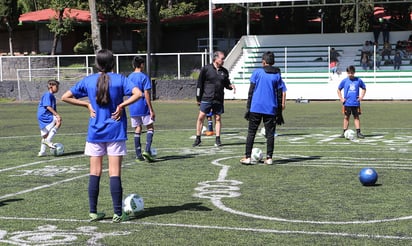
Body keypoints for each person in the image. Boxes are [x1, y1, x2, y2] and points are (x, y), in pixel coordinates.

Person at [61, 49, 142, 223]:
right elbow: (138, 93)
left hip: (95, 132)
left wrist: (86, 105)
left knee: (94, 172)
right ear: (113, 63)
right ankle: (118, 213)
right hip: (116, 131)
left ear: (97, 64)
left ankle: (93, 212)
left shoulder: (89, 81)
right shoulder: (120, 79)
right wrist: (121, 105)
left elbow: (65, 97)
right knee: (115, 173)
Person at [240, 51, 284, 165]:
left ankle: (247, 157)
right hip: (271, 108)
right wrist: (279, 113)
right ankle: (269, 158)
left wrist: (248, 108)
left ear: (263, 62)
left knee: (251, 132)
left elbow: (251, 91)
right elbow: (279, 95)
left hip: (256, 107)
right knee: (270, 134)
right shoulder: (277, 75)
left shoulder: (257, 72)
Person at [192, 51, 235, 147]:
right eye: (222, 58)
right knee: (201, 117)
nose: (223, 60)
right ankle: (198, 138)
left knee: (218, 118)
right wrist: (198, 98)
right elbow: (199, 85)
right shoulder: (206, 69)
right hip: (206, 97)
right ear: (216, 58)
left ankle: (218, 139)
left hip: (218, 99)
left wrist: (230, 86)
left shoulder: (224, 71)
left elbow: (226, 84)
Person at [128, 56, 156, 162]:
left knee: (137, 128)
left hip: (133, 107)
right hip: (143, 106)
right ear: (142, 64)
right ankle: (147, 151)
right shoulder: (144, 77)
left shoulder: (129, 77)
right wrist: (151, 109)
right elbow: (147, 94)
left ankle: (138, 154)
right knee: (150, 128)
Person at [337, 65, 366, 139]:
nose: (350, 74)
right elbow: (338, 89)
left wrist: (361, 97)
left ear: (354, 73)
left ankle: (358, 132)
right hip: (347, 103)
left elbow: (364, 88)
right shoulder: (344, 81)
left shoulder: (358, 80)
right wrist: (341, 98)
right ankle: (344, 132)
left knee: (356, 117)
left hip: (355, 103)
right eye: (349, 73)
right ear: (347, 73)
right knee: (346, 117)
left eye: (352, 73)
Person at [37, 79, 62, 156]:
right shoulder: (48, 95)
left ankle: (42, 152)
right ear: (51, 86)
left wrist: (55, 114)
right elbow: (48, 106)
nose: (58, 88)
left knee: (45, 135)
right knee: (58, 121)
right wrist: (57, 115)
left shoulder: (51, 96)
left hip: (42, 115)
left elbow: (52, 108)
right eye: (56, 86)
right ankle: (48, 141)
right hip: (45, 115)